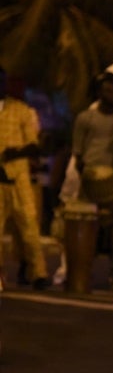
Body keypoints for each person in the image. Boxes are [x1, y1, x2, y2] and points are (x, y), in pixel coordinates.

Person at [70, 72, 113, 289]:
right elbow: (78, 152)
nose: (111, 94)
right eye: (106, 90)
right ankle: (83, 270)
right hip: (91, 176)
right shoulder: (85, 118)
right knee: (87, 225)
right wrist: (86, 177)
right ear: (98, 93)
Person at [0, 65, 50, 290]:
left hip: (19, 178)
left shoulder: (21, 110)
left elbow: (33, 147)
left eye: (3, 81)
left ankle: (38, 273)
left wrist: (14, 153)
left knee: (29, 225)